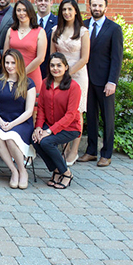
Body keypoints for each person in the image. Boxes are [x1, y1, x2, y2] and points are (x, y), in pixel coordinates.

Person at [78, 0, 123, 167]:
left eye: (99, 6)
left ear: (105, 8)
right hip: (86, 80)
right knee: (90, 117)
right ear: (89, 6)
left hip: (105, 81)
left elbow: (116, 58)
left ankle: (106, 153)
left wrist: (112, 81)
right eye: (93, 5)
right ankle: (90, 151)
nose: (96, 8)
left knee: (107, 117)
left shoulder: (114, 28)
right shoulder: (84, 26)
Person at [0, 49, 37, 189]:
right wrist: (1, 122)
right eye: (7, 62)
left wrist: (12, 124)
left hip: (21, 122)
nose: (9, 66)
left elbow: (29, 111)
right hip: (0, 119)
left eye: (13, 63)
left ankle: (22, 171)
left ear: (19, 63)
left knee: (10, 137)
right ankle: (13, 171)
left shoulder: (28, 83)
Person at [33, 53, 82, 188]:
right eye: (52, 65)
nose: (55, 68)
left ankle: (66, 173)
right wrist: (38, 128)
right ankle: (56, 169)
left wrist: (49, 131)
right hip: (49, 125)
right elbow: (41, 107)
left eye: (59, 65)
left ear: (65, 67)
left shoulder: (74, 87)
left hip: (70, 127)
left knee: (46, 142)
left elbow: (71, 115)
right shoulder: (45, 83)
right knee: (35, 139)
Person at [51, 0, 89, 166]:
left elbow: (84, 58)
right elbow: (52, 56)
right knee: (60, 110)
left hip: (78, 75)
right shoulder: (55, 30)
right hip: (58, 73)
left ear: (75, 11)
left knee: (76, 112)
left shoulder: (82, 31)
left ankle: (73, 150)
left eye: (70, 9)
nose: (66, 12)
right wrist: (58, 74)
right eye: (64, 9)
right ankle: (62, 146)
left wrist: (67, 74)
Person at [3, 0, 47, 91]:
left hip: (31, 74)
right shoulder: (10, 30)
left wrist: (22, 73)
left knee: (32, 103)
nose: (21, 13)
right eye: (18, 10)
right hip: (12, 75)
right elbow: (5, 54)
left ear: (30, 11)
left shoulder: (40, 31)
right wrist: (12, 73)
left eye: (24, 10)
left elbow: (40, 58)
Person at [36, 0, 57, 79]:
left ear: (51, 3)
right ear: (36, 3)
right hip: (32, 67)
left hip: (50, 69)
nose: (43, 3)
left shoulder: (58, 22)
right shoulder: (29, 21)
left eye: (46, 0)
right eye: (40, 0)